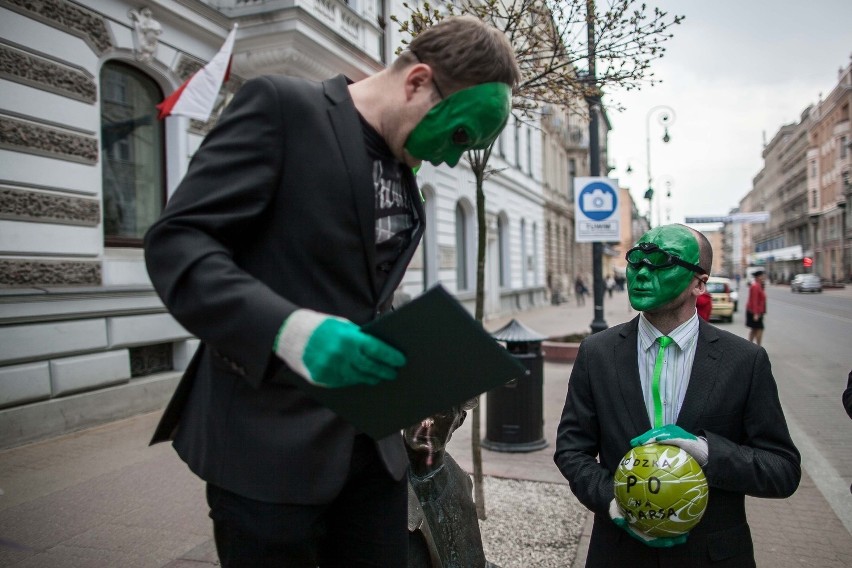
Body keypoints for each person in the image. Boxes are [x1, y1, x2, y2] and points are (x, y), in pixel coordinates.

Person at [144, 16, 519, 567]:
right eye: (459, 135)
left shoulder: (399, 165)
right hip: (268, 449)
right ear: (416, 81)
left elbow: (356, 291)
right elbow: (179, 244)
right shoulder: (281, 108)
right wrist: (290, 331)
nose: (449, 159)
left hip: (374, 454)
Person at [554, 224, 800, 566]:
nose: (640, 272)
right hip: (619, 554)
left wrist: (706, 451)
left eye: (660, 262)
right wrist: (616, 502)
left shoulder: (744, 360)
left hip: (710, 555)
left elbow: (782, 469)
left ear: (699, 282)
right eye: (635, 260)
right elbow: (571, 449)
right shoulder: (598, 353)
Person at [404, 400, 497, 568]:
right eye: (418, 408)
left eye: (442, 412)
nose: (427, 422)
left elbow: (473, 563)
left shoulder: (461, 481)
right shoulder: (379, 486)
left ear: (459, 420)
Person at [746, 270, 767, 345]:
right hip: (754, 312)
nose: (763, 278)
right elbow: (754, 300)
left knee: (754, 329)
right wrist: (756, 314)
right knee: (759, 329)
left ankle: (750, 346)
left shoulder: (759, 286)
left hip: (757, 312)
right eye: (762, 276)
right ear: (758, 277)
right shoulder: (755, 286)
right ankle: (758, 347)